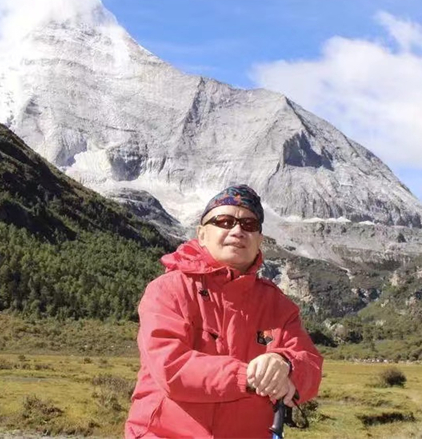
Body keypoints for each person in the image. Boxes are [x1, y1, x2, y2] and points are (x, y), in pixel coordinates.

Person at [125, 185, 323, 439]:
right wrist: (249, 376)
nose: (237, 231)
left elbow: (310, 366)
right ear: (202, 234)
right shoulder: (168, 289)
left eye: (249, 224)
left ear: (259, 241)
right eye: (224, 221)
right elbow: (170, 367)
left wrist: (285, 365)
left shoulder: (278, 305)